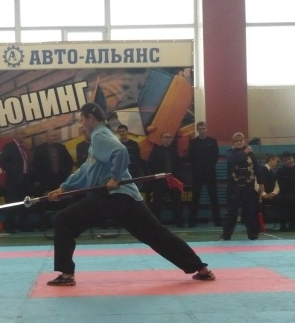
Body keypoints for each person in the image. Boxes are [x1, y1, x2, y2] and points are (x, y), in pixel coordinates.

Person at [45, 102, 215, 286]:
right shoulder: (102, 135)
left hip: (112, 197)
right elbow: (87, 169)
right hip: (125, 198)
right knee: (156, 234)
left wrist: (115, 177)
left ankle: (67, 275)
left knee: (63, 220)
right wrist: (64, 188)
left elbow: (121, 151)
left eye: (81, 120)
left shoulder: (99, 135)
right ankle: (202, 269)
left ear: (90, 118)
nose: (81, 125)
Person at [220, 132, 260, 240]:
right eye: (236, 141)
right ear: (233, 143)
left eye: (240, 140)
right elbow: (233, 160)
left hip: (248, 187)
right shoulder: (229, 152)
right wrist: (245, 152)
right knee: (231, 212)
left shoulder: (251, 154)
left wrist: (261, 183)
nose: (239, 143)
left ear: (244, 141)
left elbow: (256, 168)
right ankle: (226, 235)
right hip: (234, 188)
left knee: (250, 211)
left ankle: (253, 235)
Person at [187, 121, 221, 227]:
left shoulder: (213, 141)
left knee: (214, 197)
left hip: (210, 173)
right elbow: (190, 157)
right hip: (197, 174)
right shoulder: (193, 142)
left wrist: (209, 167)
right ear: (197, 130)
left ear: (207, 129)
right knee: (195, 197)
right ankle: (192, 221)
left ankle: (217, 220)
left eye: (204, 128)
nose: (202, 131)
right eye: (200, 129)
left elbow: (215, 156)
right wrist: (196, 168)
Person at [0, 130, 33, 232]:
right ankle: (10, 226)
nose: (24, 136)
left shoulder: (22, 148)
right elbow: (2, 159)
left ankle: (24, 225)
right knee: (12, 203)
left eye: (24, 134)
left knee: (25, 203)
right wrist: (12, 172)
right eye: (22, 133)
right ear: (16, 135)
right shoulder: (10, 146)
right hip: (14, 181)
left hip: (25, 179)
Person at [147, 132, 185, 227]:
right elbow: (150, 164)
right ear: (162, 139)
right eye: (166, 137)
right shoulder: (156, 151)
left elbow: (178, 164)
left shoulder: (174, 151)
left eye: (170, 137)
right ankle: (156, 223)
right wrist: (159, 173)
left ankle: (179, 221)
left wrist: (176, 175)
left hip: (172, 179)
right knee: (157, 201)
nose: (168, 139)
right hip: (160, 180)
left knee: (176, 200)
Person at [32, 129, 74, 195]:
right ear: (47, 137)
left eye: (56, 136)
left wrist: (66, 173)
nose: (55, 137)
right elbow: (35, 166)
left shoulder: (61, 147)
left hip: (61, 180)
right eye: (53, 136)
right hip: (46, 182)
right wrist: (37, 180)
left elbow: (69, 161)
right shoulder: (39, 149)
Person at [255, 154, 284, 228]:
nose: (277, 163)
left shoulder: (273, 173)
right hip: (260, 195)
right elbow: (256, 183)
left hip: (271, 195)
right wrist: (263, 194)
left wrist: (273, 194)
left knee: (281, 200)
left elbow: (277, 186)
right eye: (276, 161)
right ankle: (257, 225)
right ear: (271, 160)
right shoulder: (260, 170)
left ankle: (282, 224)